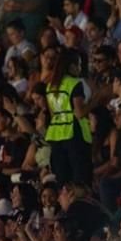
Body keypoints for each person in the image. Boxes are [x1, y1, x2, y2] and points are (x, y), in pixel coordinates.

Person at [45, 48, 91, 185]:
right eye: (78, 65)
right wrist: (97, 100)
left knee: (63, 180)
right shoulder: (74, 83)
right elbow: (80, 112)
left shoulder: (50, 86)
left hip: (56, 135)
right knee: (79, 178)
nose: (79, 68)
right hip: (74, 133)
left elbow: (53, 113)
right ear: (71, 66)